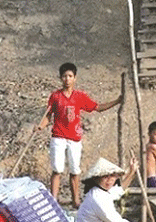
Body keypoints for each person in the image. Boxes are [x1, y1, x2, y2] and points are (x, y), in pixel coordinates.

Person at [35, 62, 123, 209]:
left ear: (75, 78)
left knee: (75, 170)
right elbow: (48, 115)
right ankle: (54, 200)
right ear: (60, 78)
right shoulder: (55, 96)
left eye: (70, 76)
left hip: (74, 138)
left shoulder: (80, 96)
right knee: (57, 169)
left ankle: (76, 201)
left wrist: (117, 101)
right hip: (58, 136)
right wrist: (41, 126)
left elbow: (98, 108)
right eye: (64, 76)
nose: (67, 79)